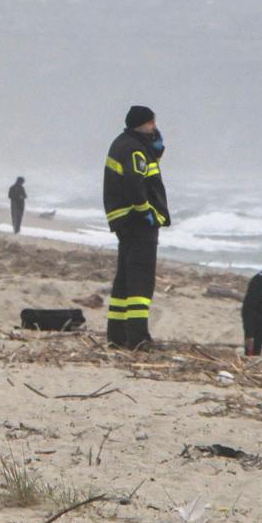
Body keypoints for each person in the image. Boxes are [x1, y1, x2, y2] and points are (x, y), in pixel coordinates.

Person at [103, 105, 170, 350]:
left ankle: (117, 334)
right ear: (142, 124)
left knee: (124, 279)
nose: (155, 128)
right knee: (141, 282)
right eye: (152, 123)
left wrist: (156, 152)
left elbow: (141, 171)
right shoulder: (134, 148)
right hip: (137, 221)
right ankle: (139, 338)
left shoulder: (124, 143)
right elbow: (135, 182)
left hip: (123, 220)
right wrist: (146, 211)